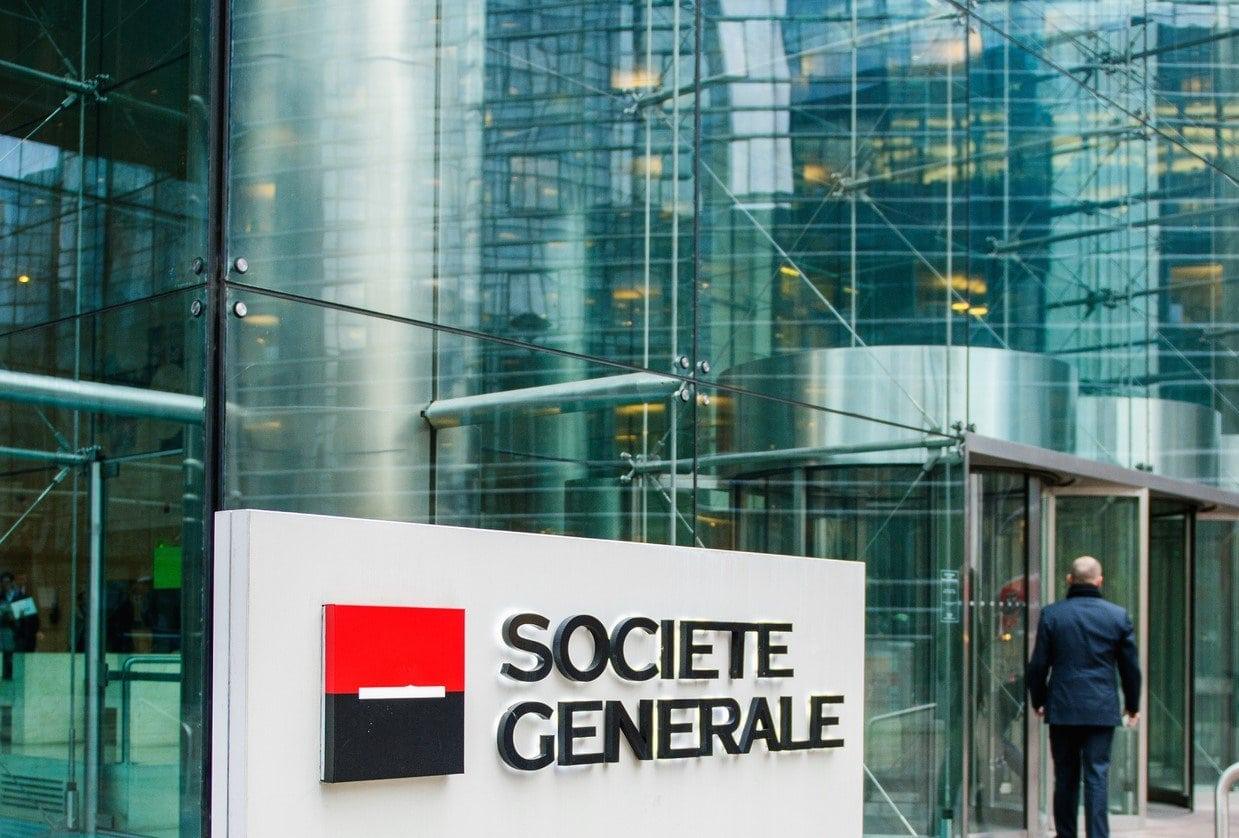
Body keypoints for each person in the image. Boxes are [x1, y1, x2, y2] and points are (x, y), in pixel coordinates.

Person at [1027, 556, 1141, 838]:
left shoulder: (1053, 615)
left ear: (1069, 579)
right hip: (1101, 709)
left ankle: (1065, 834)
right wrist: (1132, 706)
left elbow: (1038, 665)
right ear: (1099, 581)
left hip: (1063, 708)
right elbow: (1130, 668)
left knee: (1065, 776)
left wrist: (1039, 700)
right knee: (1097, 776)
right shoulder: (1117, 616)